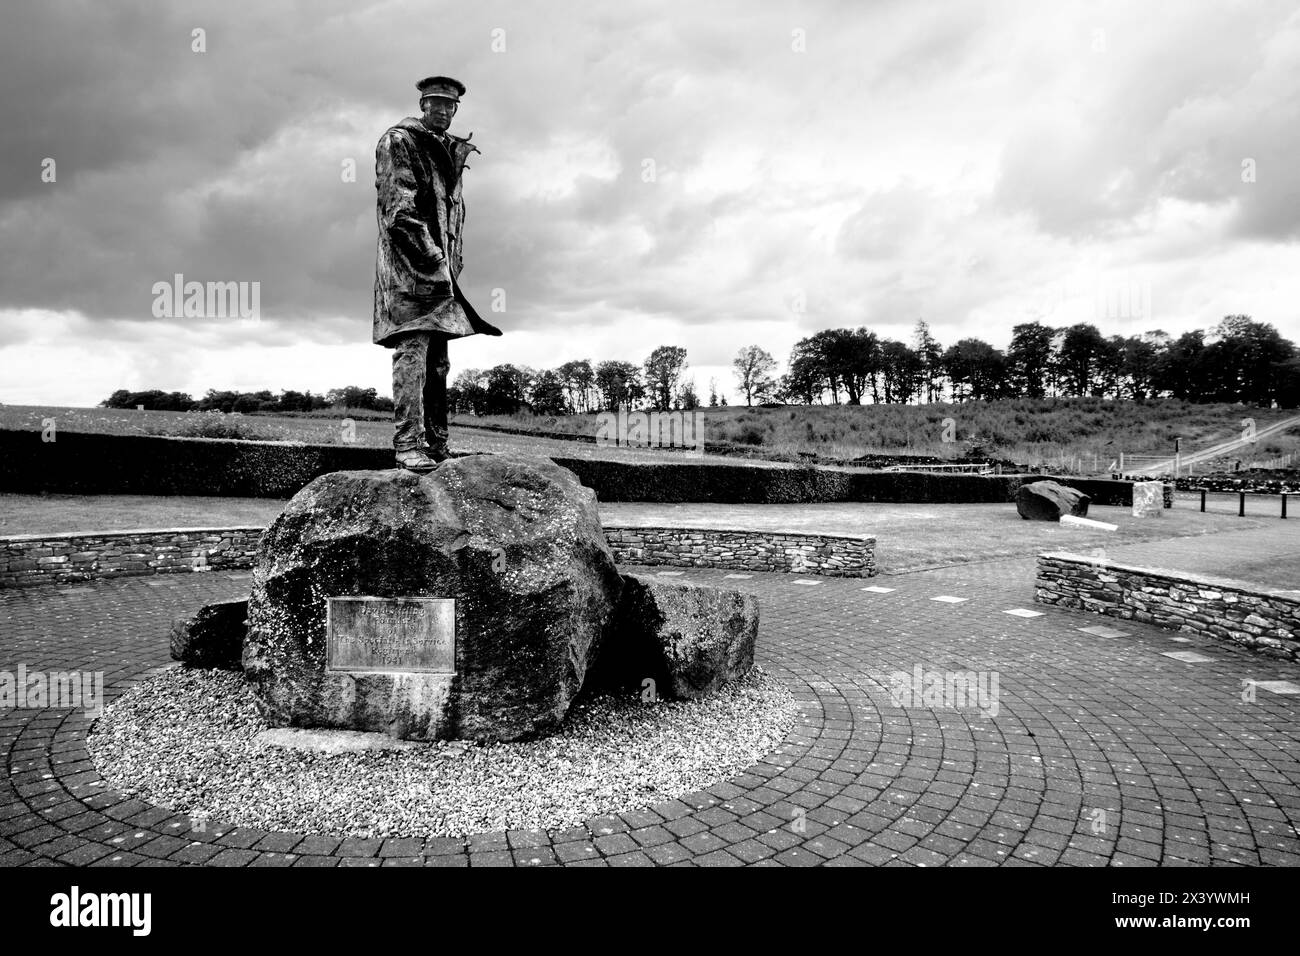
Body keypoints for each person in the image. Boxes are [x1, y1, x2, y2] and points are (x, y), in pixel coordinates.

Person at [373, 75, 501, 472]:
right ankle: (407, 444)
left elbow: (451, 216)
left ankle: (437, 444)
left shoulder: (447, 150)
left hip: (441, 276)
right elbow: (400, 213)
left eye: (451, 106)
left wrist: (450, 264)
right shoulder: (400, 141)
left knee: (439, 363)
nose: (444, 111)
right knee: (412, 353)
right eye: (436, 103)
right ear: (423, 105)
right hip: (412, 272)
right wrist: (434, 260)